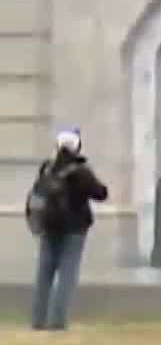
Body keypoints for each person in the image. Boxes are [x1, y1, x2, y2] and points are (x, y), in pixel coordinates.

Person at [26, 129, 110, 331]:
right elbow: (101, 193)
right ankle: (57, 321)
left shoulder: (47, 168)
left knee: (44, 273)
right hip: (74, 230)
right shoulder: (80, 171)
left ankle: (38, 320)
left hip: (48, 227)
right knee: (67, 274)